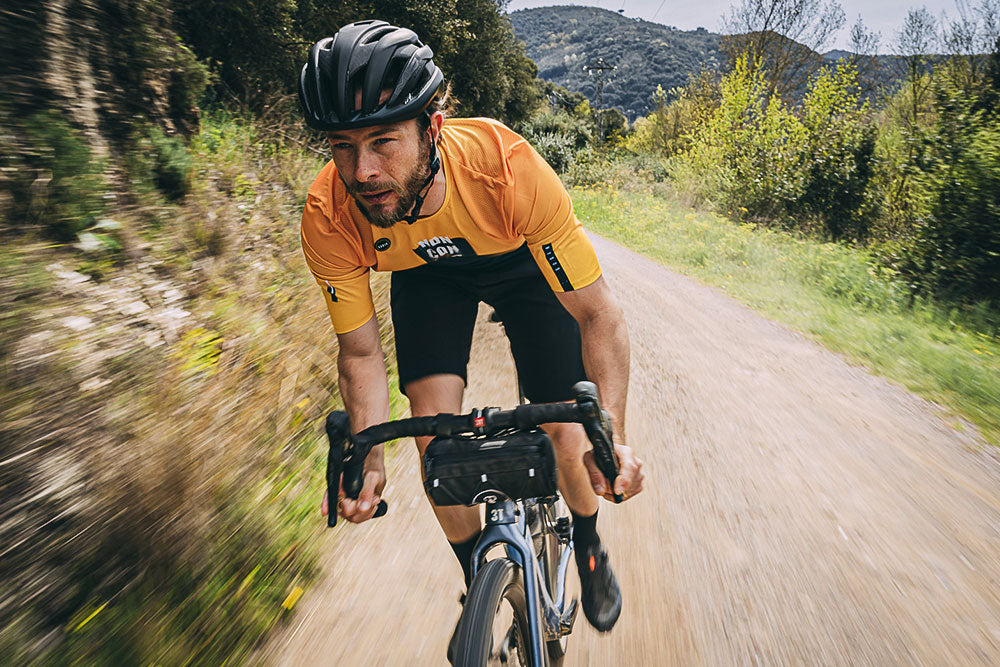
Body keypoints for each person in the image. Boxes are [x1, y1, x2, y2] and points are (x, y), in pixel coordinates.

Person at [297, 19, 644, 647]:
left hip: (522, 265)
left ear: (432, 126)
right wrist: (370, 457)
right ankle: (479, 578)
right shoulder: (328, 215)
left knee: (567, 432)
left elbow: (600, 315)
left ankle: (589, 547)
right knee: (435, 447)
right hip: (428, 276)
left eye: (383, 141)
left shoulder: (507, 170)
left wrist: (609, 436)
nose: (363, 170)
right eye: (342, 146)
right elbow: (360, 350)